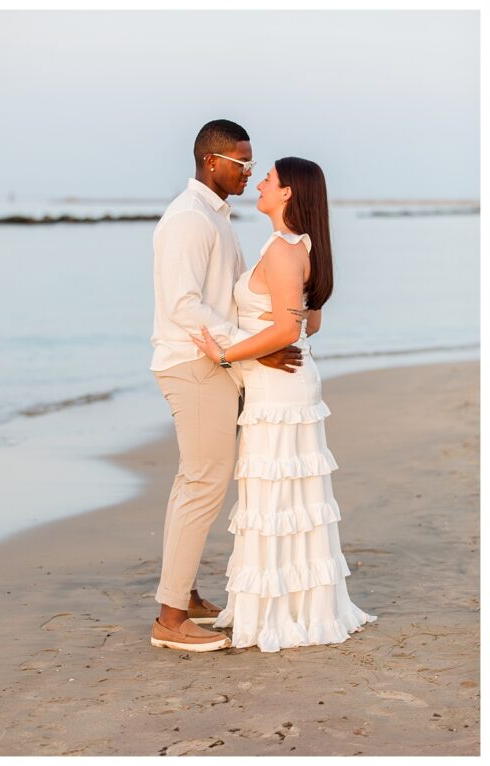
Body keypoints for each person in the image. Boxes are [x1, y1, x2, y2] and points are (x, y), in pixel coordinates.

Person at [191, 157, 377, 652]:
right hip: (291, 380)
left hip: (280, 390)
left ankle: (278, 613)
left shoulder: (281, 250)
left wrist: (226, 352)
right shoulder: (303, 247)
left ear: (289, 193)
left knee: (275, 498)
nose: (261, 183)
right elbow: (308, 326)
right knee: (292, 498)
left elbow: (286, 330)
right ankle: (297, 606)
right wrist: (267, 340)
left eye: (269, 178)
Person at [149, 119, 302, 653]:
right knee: (205, 483)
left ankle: (183, 595)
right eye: (242, 164)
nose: (249, 172)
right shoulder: (188, 220)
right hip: (193, 364)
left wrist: (257, 340)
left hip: (215, 363)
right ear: (212, 161)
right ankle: (169, 620)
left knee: (194, 481)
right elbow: (183, 306)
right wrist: (249, 345)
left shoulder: (217, 218)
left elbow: (232, 296)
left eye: (252, 164)